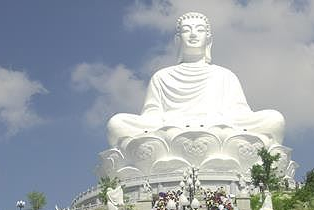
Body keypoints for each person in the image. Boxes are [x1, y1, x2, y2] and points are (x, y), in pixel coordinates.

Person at [106, 12, 285, 149]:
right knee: (117, 123)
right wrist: (169, 124)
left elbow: (239, 113)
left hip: (218, 126)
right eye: (186, 30)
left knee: (275, 119)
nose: (193, 35)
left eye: (199, 30)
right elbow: (151, 116)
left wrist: (218, 122)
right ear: (178, 40)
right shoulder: (161, 77)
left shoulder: (224, 75)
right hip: (170, 127)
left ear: (208, 39)